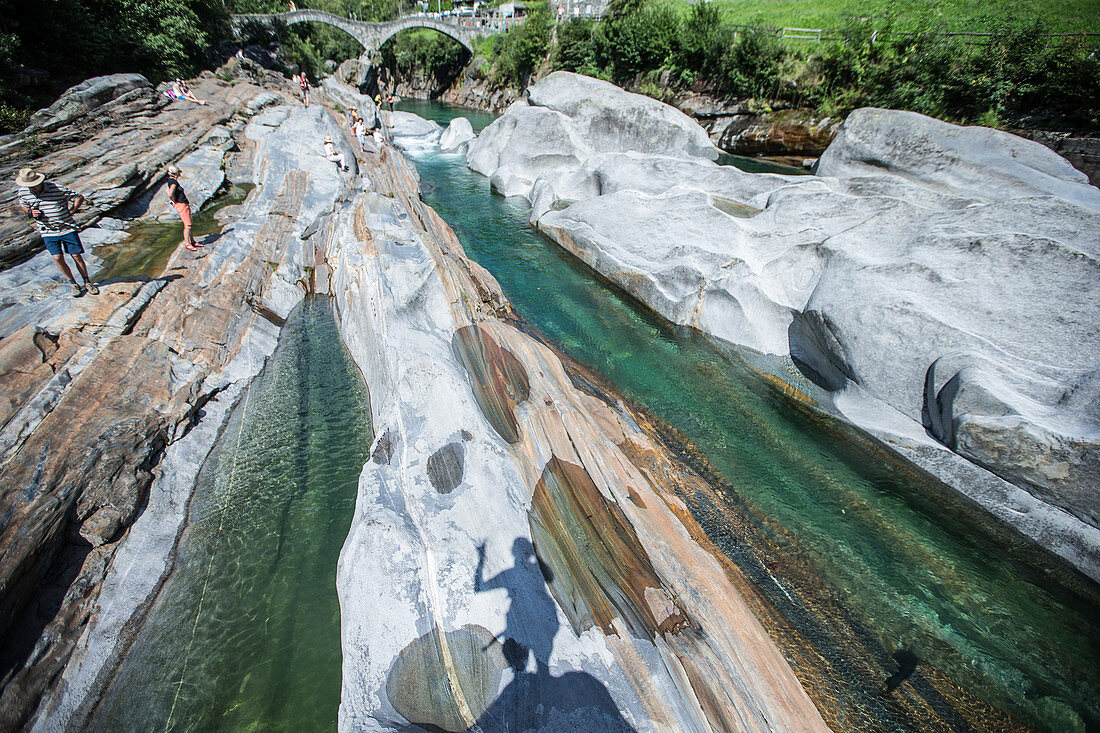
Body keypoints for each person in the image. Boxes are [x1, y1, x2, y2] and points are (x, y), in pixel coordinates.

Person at [16, 167, 98, 297]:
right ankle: (73, 284)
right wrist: (31, 212)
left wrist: (73, 210)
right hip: (47, 230)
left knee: (76, 255)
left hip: (67, 227)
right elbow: (24, 206)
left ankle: (87, 282)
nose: (33, 188)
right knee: (57, 258)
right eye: (30, 186)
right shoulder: (23, 192)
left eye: (34, 185)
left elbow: (78, 197)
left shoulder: (56, 188)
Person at [165, 165, 200, 251]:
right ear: (175, 173)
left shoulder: (170, 181)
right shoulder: (173, 182)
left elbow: (167, 190)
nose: (180, 174)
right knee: (188, 225)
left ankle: (192, 241)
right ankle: (187, 243)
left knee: (188, 224)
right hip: (181, 204)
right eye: (179, 172)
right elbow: (170, 194)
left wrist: (174, 201)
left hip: (182, 204)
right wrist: (174, 200)